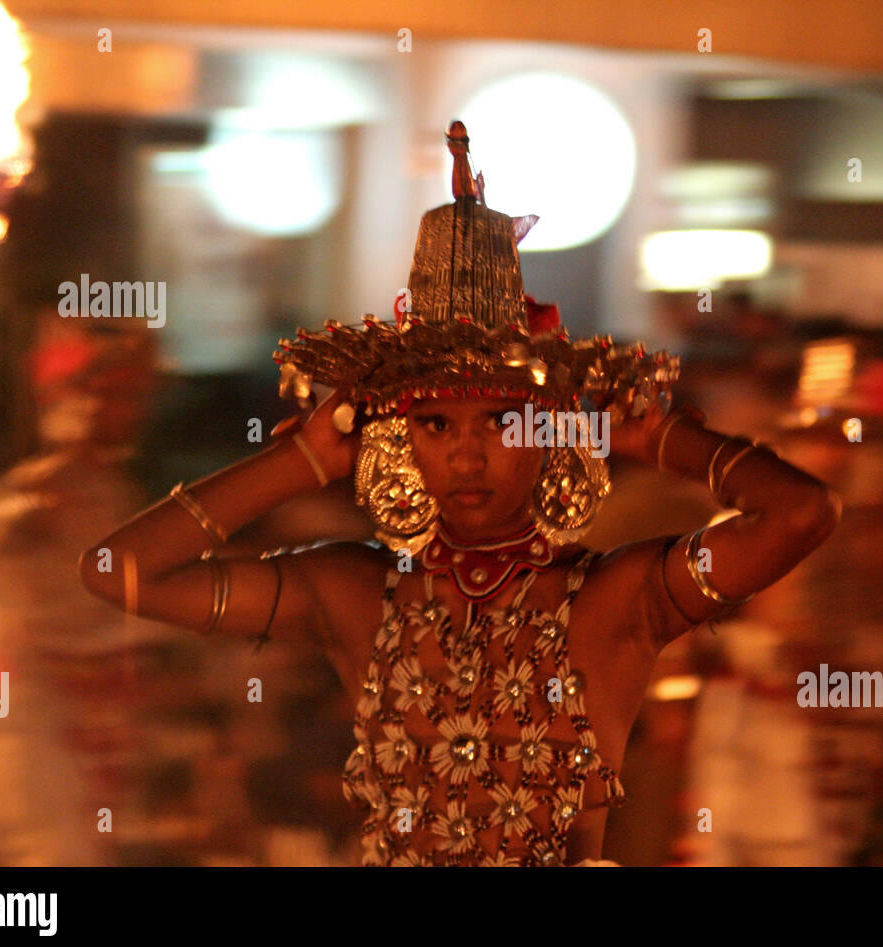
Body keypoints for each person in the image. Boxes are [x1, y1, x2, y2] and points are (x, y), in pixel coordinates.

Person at [80, 121, 840, 866]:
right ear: (401, 438)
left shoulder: (618, 600)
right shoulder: (355, 592)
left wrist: (657, 440)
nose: (468, 454)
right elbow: (115, 572)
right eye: (437, 423)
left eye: (501, 423)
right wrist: (300, 463)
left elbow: (803, 513)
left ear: (546, 429)